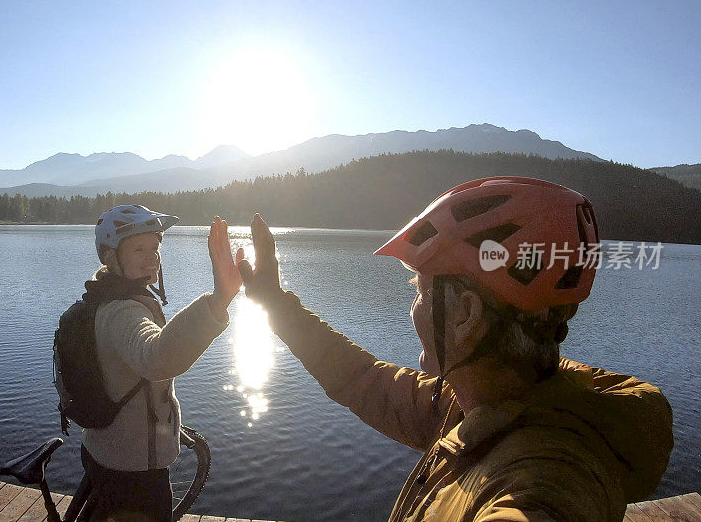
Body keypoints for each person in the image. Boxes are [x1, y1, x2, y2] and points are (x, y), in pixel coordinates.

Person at [237, 177, 673, 521]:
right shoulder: (474, 406)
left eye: (420, 293)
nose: (413, 309)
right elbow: (361, 379)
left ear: (465, 315)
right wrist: (275, 303)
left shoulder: (547, 477)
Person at [82, 205, 242, 521]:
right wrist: (219, 299)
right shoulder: (123, 312)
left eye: (154, 246)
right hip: (132, 467)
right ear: (111, 257)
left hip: (104, 449)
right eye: (138, 248)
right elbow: (156, 358)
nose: (151, 255)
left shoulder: (103, 296)